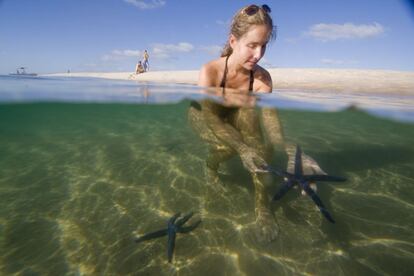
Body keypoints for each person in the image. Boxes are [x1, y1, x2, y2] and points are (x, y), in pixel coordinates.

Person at [189, 4, 284, 242]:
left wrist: (289, 151)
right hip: (204, 116)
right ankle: (210, 167)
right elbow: (210, 116)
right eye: (252, 45)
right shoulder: (210, 71)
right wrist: (242, 148)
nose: (259, 54)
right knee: (229, 145)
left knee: (261, 146)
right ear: (233, 41)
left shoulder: (262, 78)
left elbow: (270, 118)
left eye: (263, 46)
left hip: (235, 113)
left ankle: (262, 208)